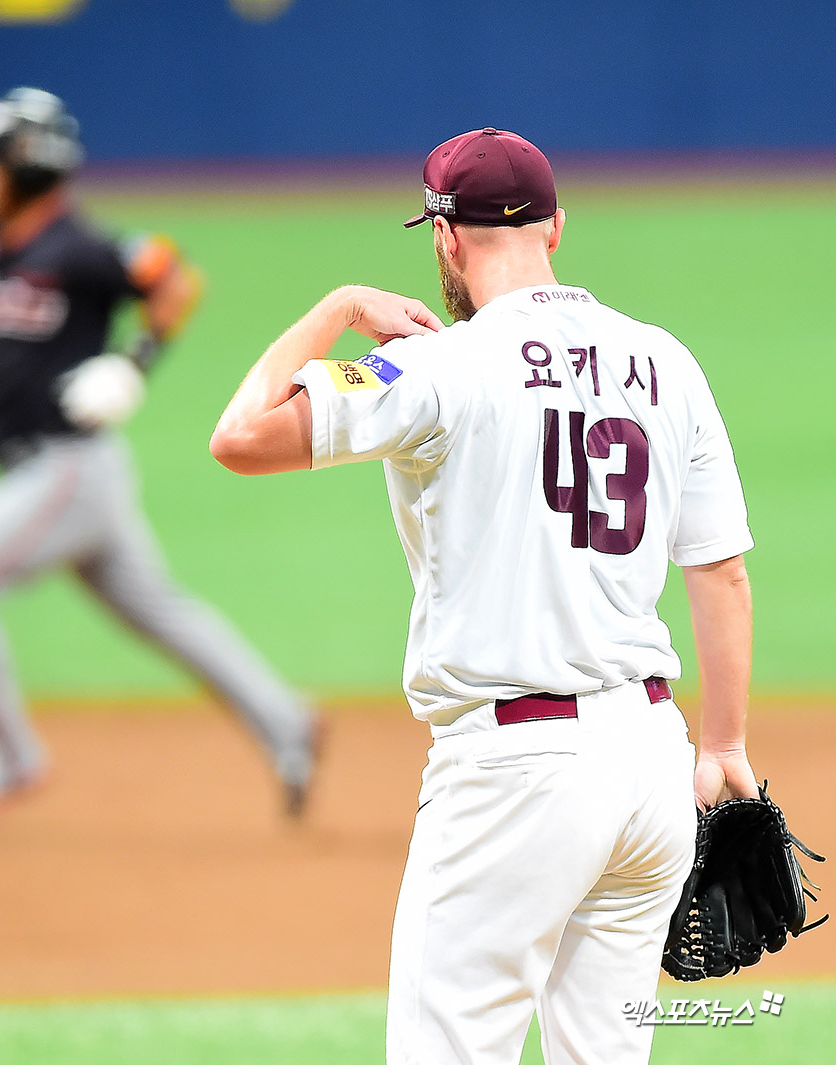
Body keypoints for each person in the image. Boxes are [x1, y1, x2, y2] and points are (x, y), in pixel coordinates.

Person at [209, 127, 760, 1064]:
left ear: (445, 237)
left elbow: (240, 436)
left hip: (514, 775)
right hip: (652, 764)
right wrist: (725, 746)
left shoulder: (437, 363)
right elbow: (721, 569)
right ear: (556, 228)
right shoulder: (667, 362)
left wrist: (340, 306)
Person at [0, 87, 320, 825]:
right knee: (162, 613)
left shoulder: (80, 247)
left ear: (28, 166)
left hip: (67, 468)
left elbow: (175, 279)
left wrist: (134, 363)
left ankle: (12, 756)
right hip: (53, 474)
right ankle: (288, 721)